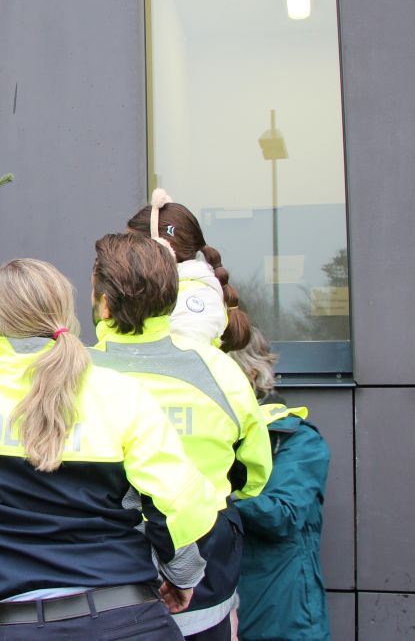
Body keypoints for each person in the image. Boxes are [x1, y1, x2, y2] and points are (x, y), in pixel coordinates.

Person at [0, 258, 224, 639]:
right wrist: (182, 576)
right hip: (131, 619)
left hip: (19, 627)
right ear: (64, 313)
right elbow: (177, 503)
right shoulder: (120, 393)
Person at [89, 233, 271, 640]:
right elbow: (253, 473)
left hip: (103, 573)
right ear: (172, 299)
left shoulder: (73, 373)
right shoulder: (221, 371)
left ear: (104, 303)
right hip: (205, 565)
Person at [231, 328, 331, 641]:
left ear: (251, 373)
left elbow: (281, 515)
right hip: (216, 610)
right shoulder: (210, 437)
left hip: (283, 618)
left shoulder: (298, 439)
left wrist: (213, 497)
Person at [127, 188, 252, 352]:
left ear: (161, 247)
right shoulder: (172, 290)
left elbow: (180, 360)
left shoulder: (196, 300)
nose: (126, 256)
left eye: (132, 248)